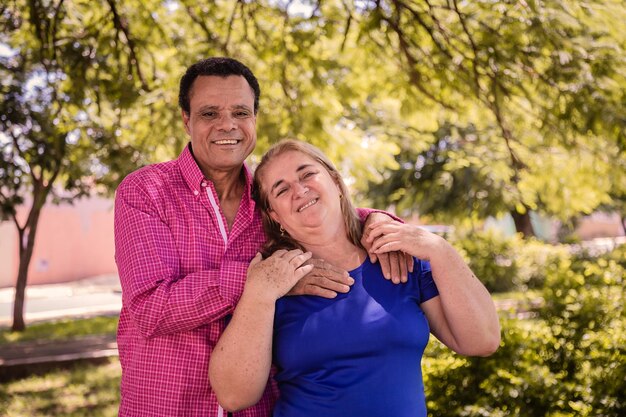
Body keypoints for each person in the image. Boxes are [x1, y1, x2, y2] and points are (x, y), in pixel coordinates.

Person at [114, 57, 408, 417]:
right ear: (186, 120)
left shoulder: (272, 201)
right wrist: (265, 281)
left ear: (254, 118)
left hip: (259, 409)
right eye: (209, 113)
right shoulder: (145, 191)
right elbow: (150, 308)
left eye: (241, 112)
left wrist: (382, 223)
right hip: (166, 406)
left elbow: (328, 211)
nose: (228, 125)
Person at [209, 140, 501, 417]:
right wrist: (259, 295)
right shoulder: (276, 280)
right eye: (281, 190)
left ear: (336, 182)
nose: (299, 190)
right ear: (274, 215)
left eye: (307, 174)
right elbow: (234, 396)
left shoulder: (400, 259)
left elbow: (482, 340)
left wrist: (440, 250)